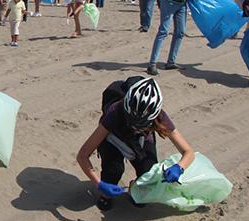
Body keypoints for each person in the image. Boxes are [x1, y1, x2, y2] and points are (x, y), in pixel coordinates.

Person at [77, 77, 195, 211]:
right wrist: (99, 184)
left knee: (148, 171)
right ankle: (106, 195)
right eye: (132, 121)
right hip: (113, 138)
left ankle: (135, 188)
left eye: (142, 124)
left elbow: (188, 152)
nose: (135, 127)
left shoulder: (160, 118)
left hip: (142, 139)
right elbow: (83, 155)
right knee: (114, 170)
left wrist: (179, 167)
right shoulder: (114, 113)